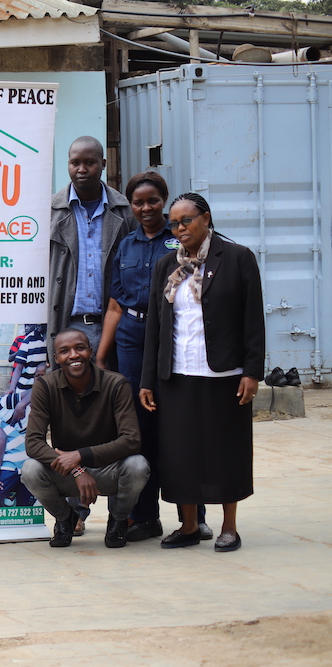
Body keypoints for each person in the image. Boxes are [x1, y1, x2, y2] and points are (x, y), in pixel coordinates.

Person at [140, 193, 264, 553]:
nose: (179, 229)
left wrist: (252, 371)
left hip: (226, 374)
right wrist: (149, 379)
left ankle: (229, 527)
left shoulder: (237, 258)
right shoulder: (167, 266)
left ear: (206, 218)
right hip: (177, 375)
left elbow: (252, 319)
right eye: (174, 223)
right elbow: (156, 329)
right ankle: (190, 525)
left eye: (186, 221)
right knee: (181, 454)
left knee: (226, 451)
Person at [93, 173, 211, 543]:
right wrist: (101, 357)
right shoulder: (125, 246)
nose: (145, 208)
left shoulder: (182, 242)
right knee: (139, 431)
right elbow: (114, 305)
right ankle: (145, 518)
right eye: (138, 202)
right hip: (130, 339)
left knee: (179, 429)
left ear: (164, 200)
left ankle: (194, 517)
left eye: (153, 201)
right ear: (130, 205)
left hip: (172, 338)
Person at [49, 136, 137, 535]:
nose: (80, 169)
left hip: (112, 324)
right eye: (73, 163)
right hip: (67, 324)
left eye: (88, 162)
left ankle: (126, 511)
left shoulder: (123, 210)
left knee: (116, 411)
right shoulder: (50, 209)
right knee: (67, 416)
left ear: (103, 164)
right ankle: (75, 514)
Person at [22, 328, 149, 548]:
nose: (73, 355)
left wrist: (80, 456)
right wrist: (77, 469)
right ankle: (65, 519)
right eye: (64, 351)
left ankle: (118, 521)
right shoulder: (45, 386)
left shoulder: (116, 384)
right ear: (56, 358)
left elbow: (131, 439)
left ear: (90, 351)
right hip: (67, 473)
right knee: (30, 470)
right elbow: (33, 442)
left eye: (79, 348)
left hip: (109, 470)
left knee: (138, 465)